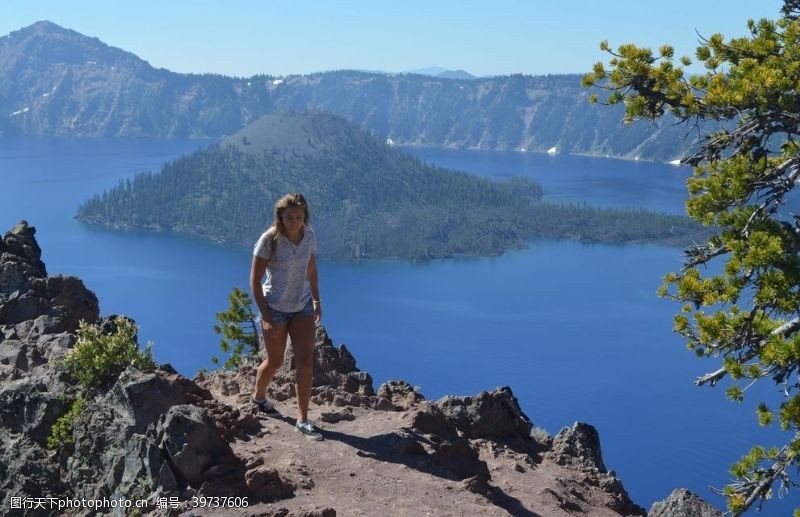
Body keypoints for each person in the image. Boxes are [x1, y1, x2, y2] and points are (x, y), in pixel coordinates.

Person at [250, 193, 323, 441]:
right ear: (280, 216)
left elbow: (310, 268)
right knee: (276, 361)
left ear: (305, 218)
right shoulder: (269, 241)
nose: (294, 222)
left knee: (306, 362)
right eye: (289, 217)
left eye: (299, 217)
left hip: (301, 306)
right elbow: (255, 280)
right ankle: (259, 397)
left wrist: (316, 299)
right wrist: (265, 315)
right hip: (275, 308)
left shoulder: (309, 237)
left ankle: (302, 419)